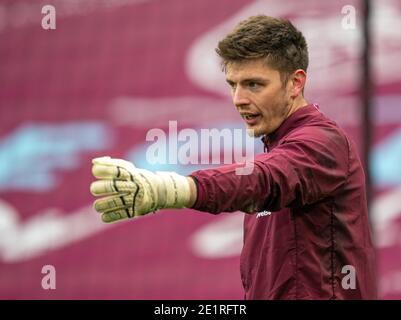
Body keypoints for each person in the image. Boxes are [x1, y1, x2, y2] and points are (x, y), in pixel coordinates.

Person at [90, 15, 377, 300]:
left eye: (253, 84)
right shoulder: (278, 148)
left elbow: (261, 178)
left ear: (295, 83)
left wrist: (170, 190)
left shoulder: (322, 143)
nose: (238, 98)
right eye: (232, 84)